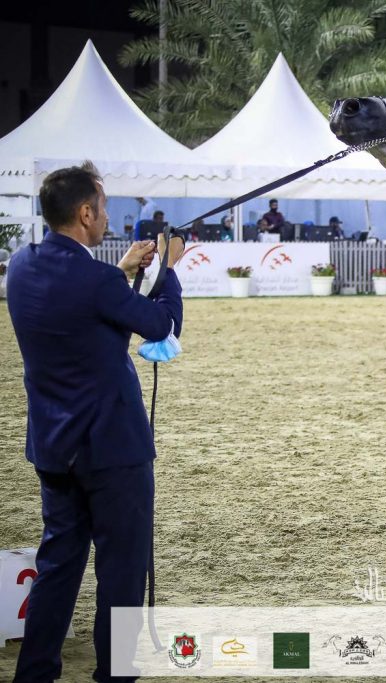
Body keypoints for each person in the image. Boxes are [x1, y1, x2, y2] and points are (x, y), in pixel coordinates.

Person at [5, 161, 185, 683]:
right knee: (121, 573)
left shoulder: (22, 265)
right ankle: (115, 675)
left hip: (53, 445)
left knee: (58, 566)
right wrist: (168, 269)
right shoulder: (100, 281)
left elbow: (82, 295)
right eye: (102, 209)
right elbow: (161, 325)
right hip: (113, 451)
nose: (107, 217)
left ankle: (35, 673)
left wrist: (124, 270)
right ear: (85, 213)